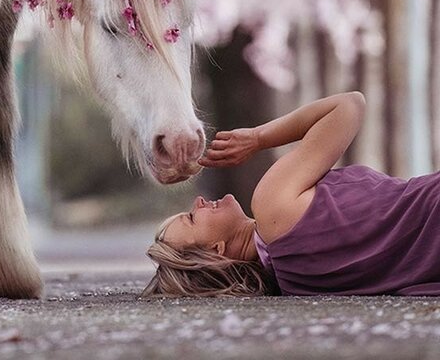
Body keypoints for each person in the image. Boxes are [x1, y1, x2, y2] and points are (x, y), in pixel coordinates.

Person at [142, 91, 440, 297]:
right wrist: (258, 137)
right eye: (193, 217)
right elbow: (349, 106)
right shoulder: (271, 205)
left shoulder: (295, 283)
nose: (199, 201)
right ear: (217, 250)